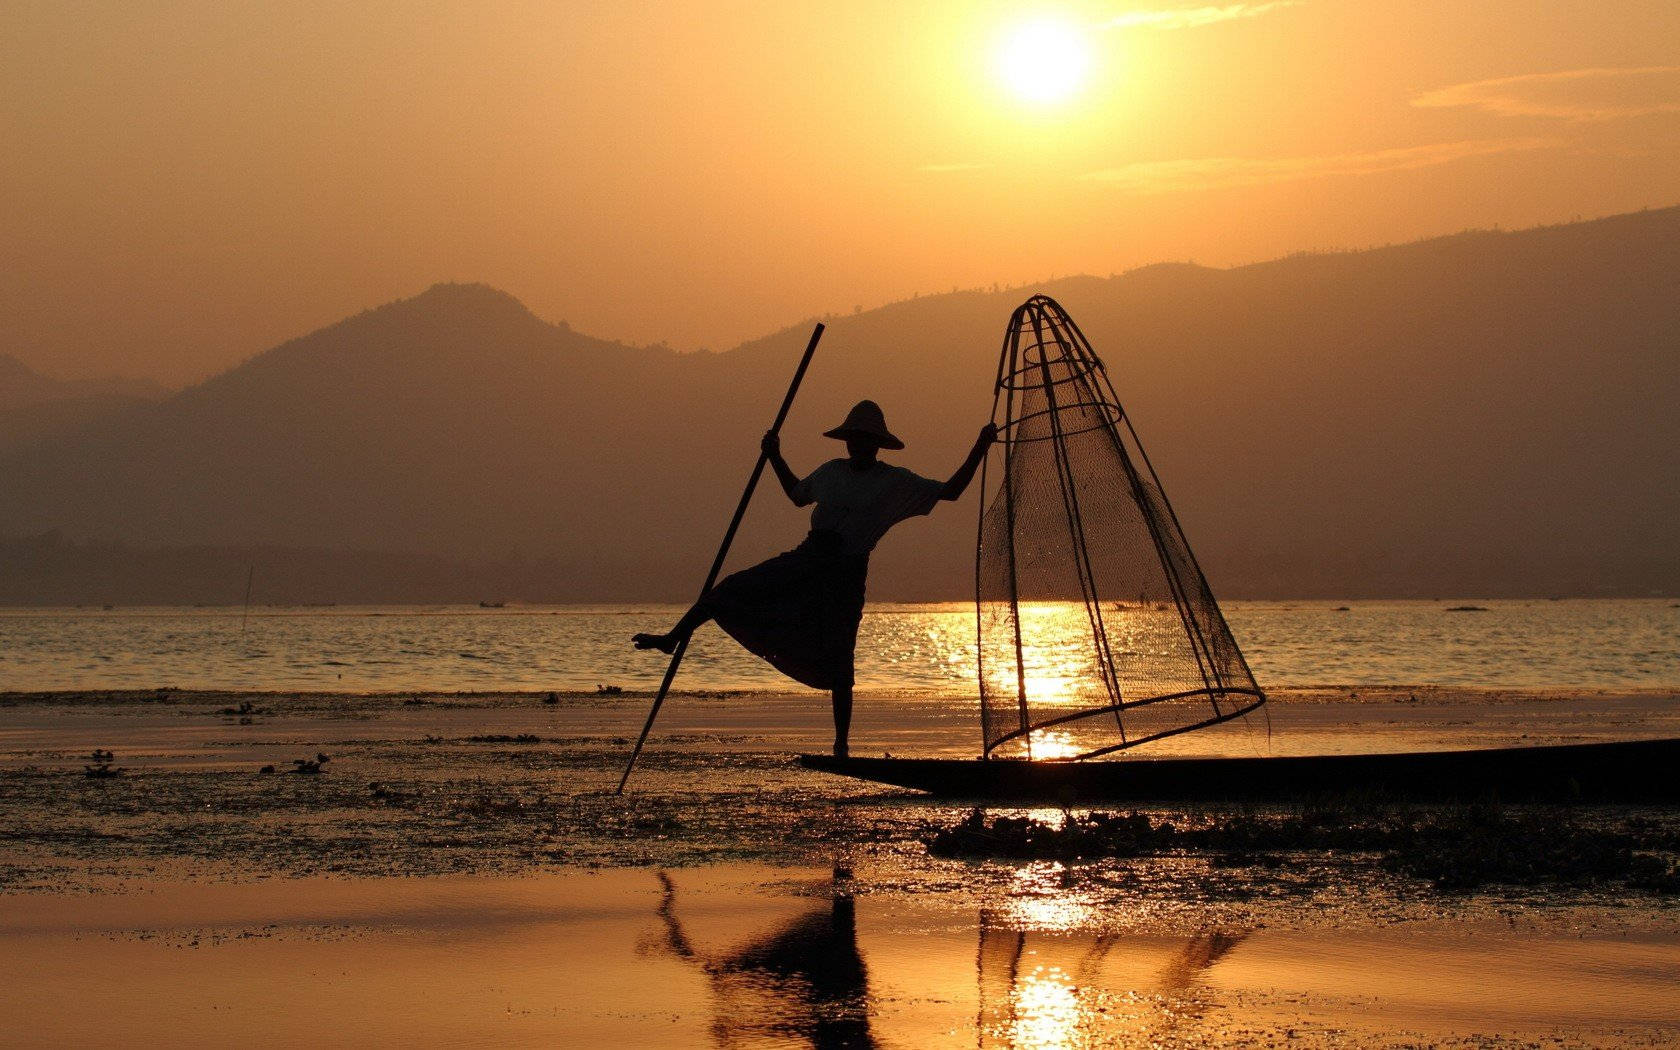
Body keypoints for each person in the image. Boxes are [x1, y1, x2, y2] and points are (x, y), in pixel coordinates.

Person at [633, 399, 996, 757]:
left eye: (865, 439)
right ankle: (672, 638)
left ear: (877, 444)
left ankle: (841, 744)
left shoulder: (893, 481)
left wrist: (979, 447)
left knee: (841, 659)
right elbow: (796, 495)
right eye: (854, 438)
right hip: (807, 558)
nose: (858, 445)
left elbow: (951, 491)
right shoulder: (831, 471)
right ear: (848, 441)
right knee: (729, 589)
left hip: (845, 572)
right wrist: (774, 455)